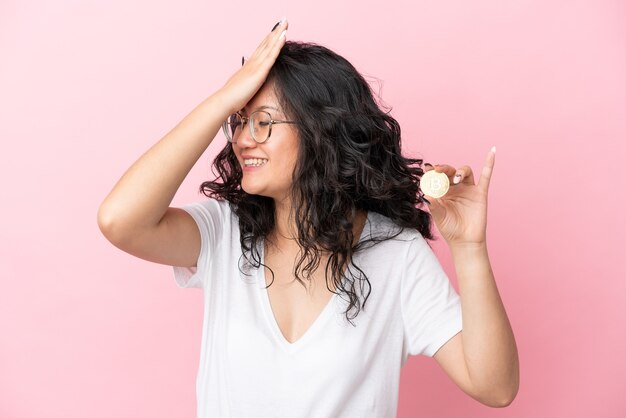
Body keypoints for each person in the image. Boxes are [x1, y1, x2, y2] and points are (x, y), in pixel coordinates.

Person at [97, 17, 519, 417]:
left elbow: (495, 387)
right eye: (239, 121)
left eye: (263, 122)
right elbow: (120, 220)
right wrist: (223, 98)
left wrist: (469, 248)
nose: (243, 139)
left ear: (321, 133)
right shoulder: (224, 233)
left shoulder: (397, 255)